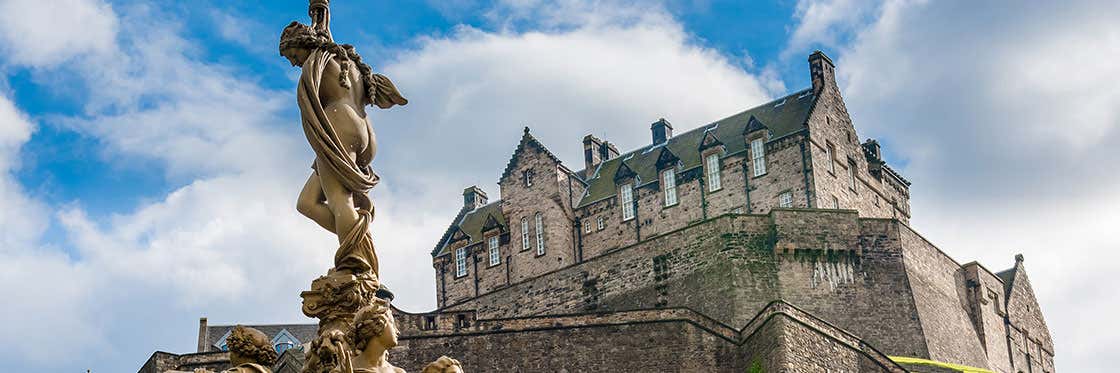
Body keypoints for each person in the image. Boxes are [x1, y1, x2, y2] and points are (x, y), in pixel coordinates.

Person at [278, 21, 406, 275]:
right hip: (362, 130)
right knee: (306, 203)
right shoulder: (337, 56)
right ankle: (359, 240)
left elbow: (319, 35)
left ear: (303, 44)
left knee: (339, 200)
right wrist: (319, 10)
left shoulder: (319, 58)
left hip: (339, 125)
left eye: (293, 55)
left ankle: (354, 263)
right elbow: (323, 31)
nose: (293, 63)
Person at [339, 299, 405, 373]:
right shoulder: (343, 369)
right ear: (378, 325)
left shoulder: (398, 372)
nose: (397, 331)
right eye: (393, 324)